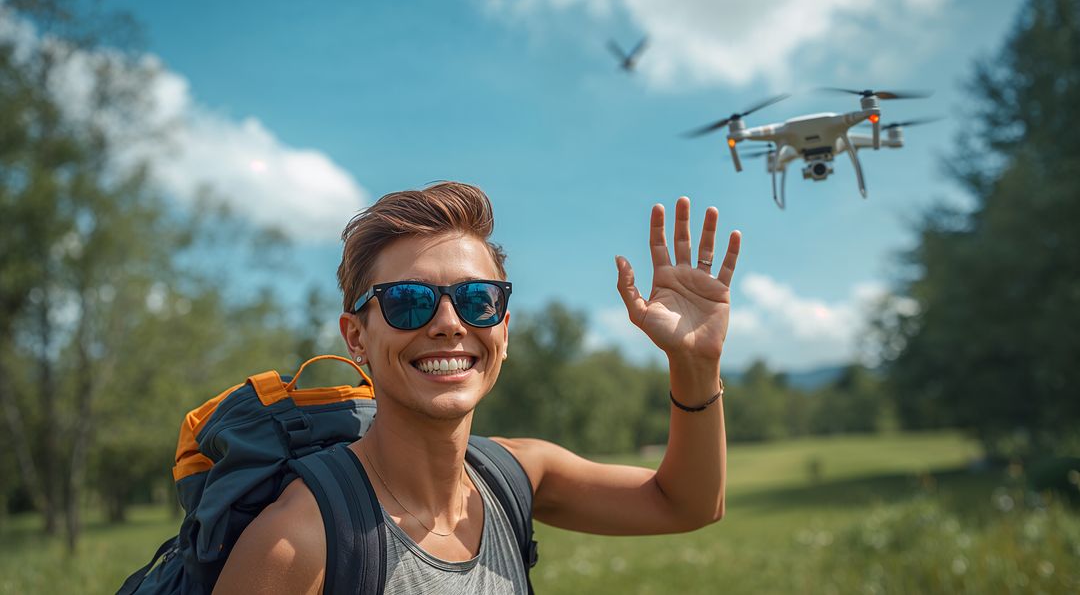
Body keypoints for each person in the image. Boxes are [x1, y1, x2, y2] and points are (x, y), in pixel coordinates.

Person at [214, 181, 741, 594]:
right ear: (357, 338)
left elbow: (688, 505)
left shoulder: (515, 475)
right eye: (408, 300)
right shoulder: (299, 542)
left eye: (478, 299)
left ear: (503, 331)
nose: (448, 323)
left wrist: (693, 363)